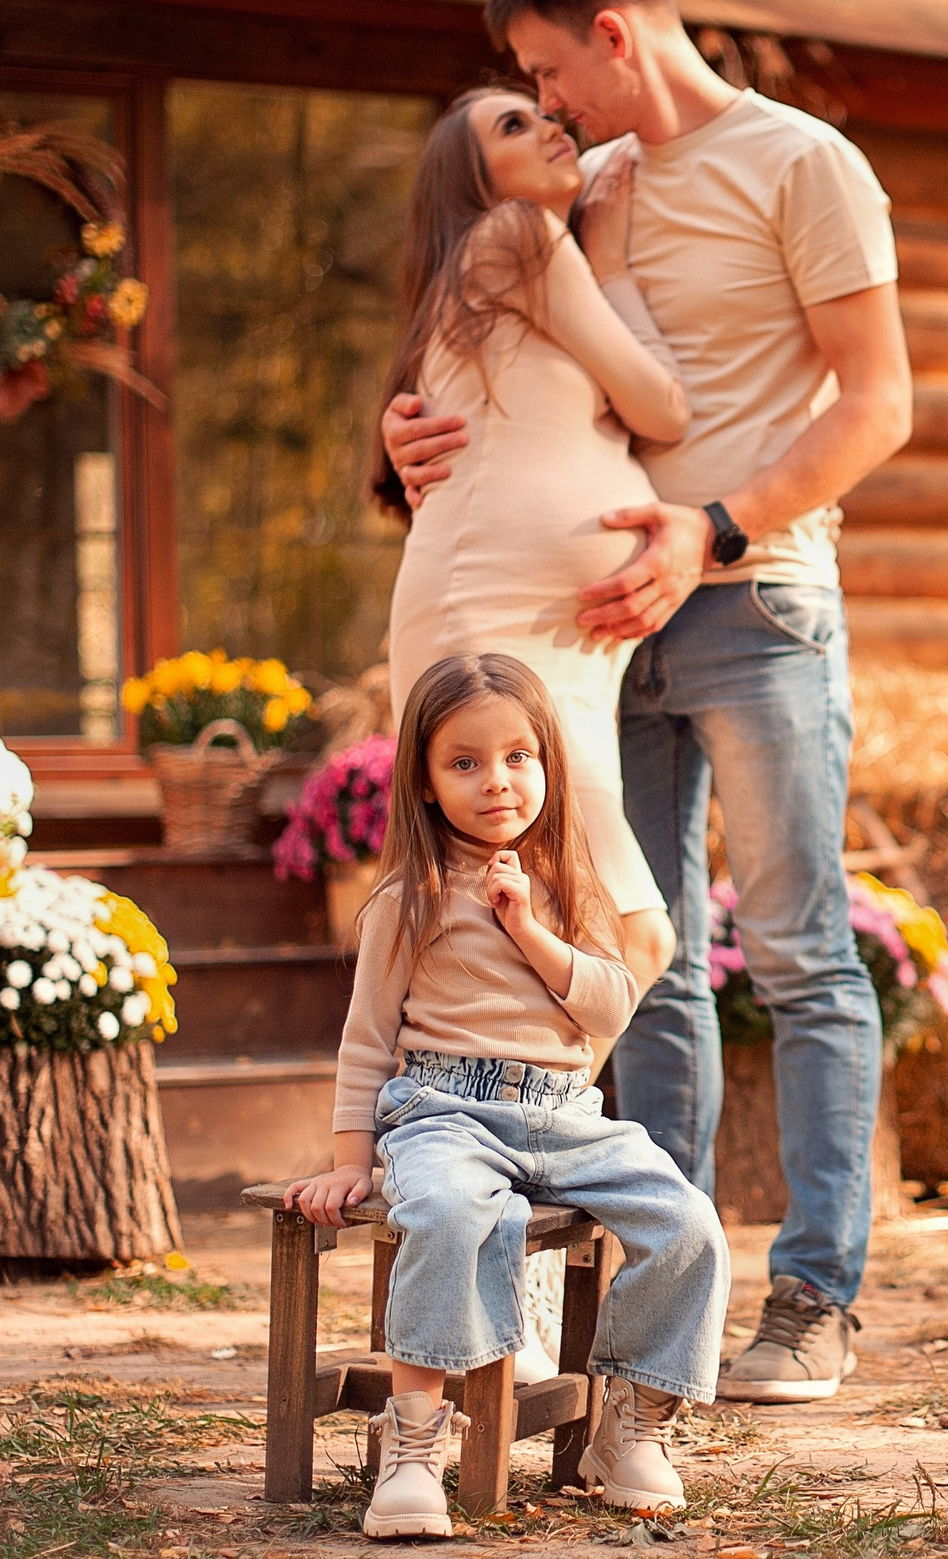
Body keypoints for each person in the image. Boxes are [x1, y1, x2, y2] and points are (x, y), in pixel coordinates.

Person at [384, 0, 911, 1403]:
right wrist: (403, 431)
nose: (548, 105)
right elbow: (501, 349)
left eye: (554, 70)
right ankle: (657, 1286)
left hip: (754, 600)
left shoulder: (803, 163)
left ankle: (813, 1296)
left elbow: (878, 406)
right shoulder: (578, 184)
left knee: (804, 953)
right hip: (598, 630)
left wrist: (713, 531)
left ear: (614, 34)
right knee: (644, 953)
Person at [286, 653, 729, 1539]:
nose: (497, 782)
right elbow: (367, 1041)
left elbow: (609, 1001)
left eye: (518, 757)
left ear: (547, 767)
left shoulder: (568, 886)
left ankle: (631, 1425)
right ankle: (413, 1445)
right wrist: (350, 1163)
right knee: (448, 1214)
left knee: (688, 1224)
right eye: (466, 763)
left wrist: (528, 926)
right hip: (445, 1110)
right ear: (423, 781)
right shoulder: (405, 900)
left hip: (565, 1113)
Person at [371, 81, 688, 997]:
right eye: (515, 125)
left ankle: (501, 1123)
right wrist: (616, 260)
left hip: (550, 633)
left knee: (542, 925)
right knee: (624, 931)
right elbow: (661, 404)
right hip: (496, 619)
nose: (550, 127)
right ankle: (501, 1124)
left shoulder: (481, 272)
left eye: (546, 114)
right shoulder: (515, 234)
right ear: (472, 178)